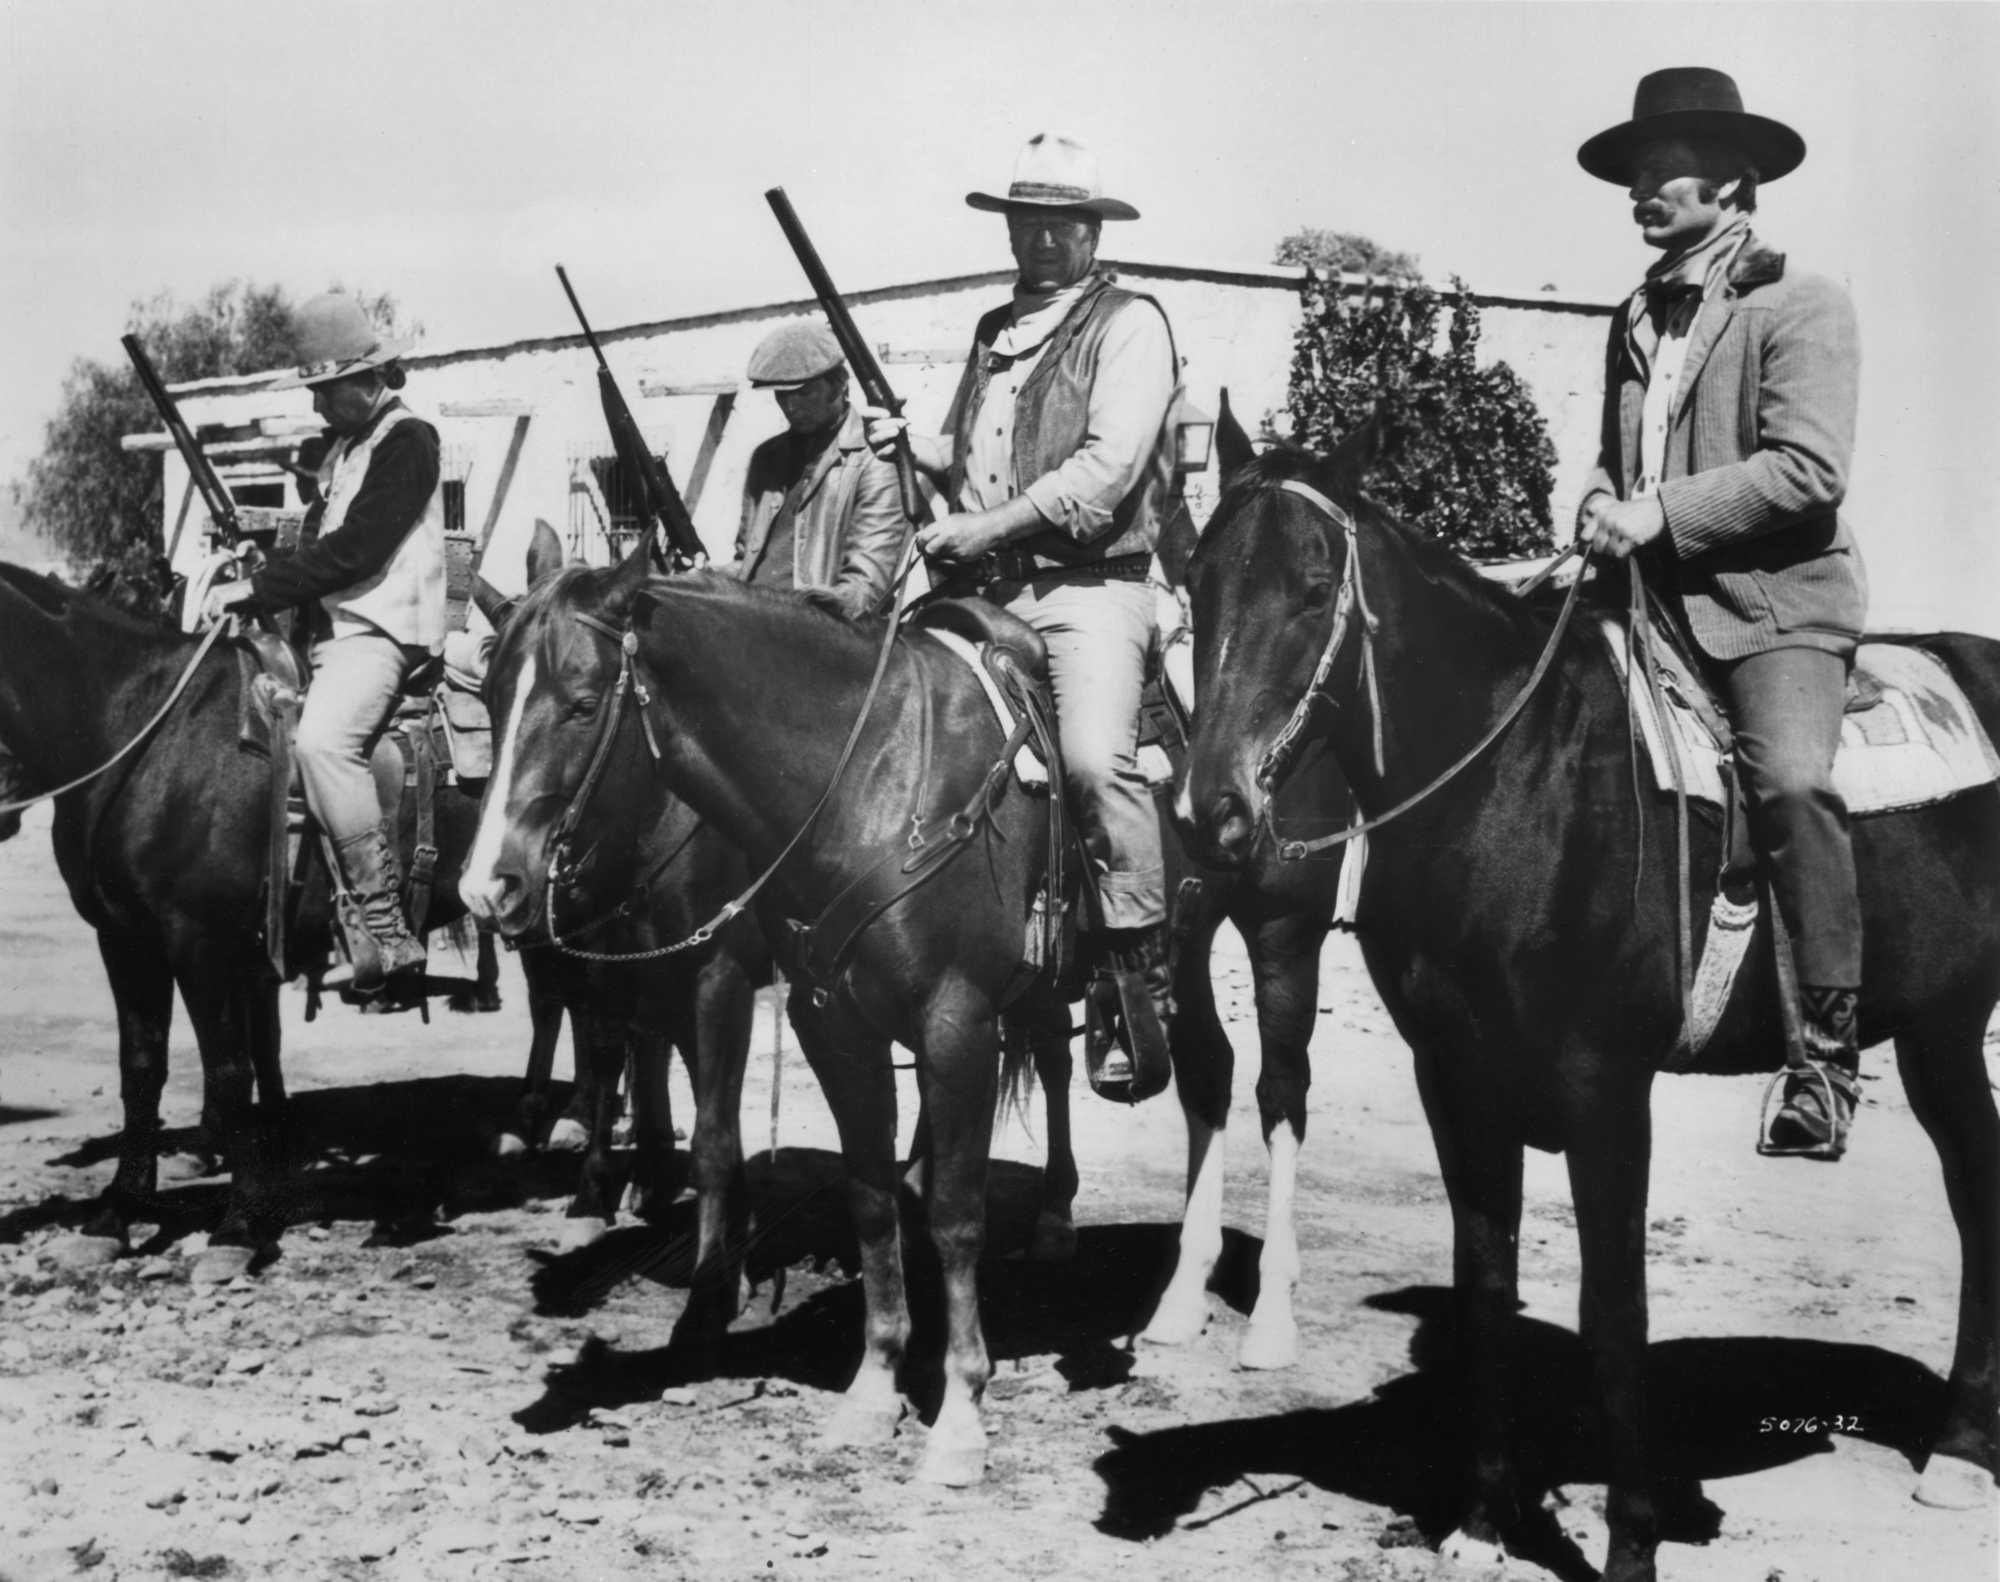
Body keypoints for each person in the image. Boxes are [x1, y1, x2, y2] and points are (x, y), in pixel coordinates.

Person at [1573, 68, 1868, 1155]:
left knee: (1789, 782)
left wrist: (1657, 512)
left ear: (1734, 182)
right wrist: (1599, 502)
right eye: (1635, 174)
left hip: (1769, 606)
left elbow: (1806, 470)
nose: (1642, 190)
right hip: (1641, 603)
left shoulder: (1801, 304)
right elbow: (1615, 468)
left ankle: (1822, 1060)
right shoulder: (1634, 316)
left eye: (1663, 170)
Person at [871, 131, 1182, 1094]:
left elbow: (1103, 471)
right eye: (1027, 221)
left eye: (1063, 222)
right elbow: (974, 451)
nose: (1043, 237)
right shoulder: (992, 329)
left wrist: (982, 526)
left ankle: (1137, 986)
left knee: (1093, 762)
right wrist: (912, 445)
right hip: (983, 591)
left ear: (1092, 232)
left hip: (1089, 588)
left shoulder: (1131, 324)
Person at [206, 291, 447, 997]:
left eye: (322, 391)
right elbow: (316, 546)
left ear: (359, 380)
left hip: (378, 635)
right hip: (328, 635)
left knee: (322, 745)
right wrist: (261, 566)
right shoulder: (346, 449)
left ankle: (385, 925)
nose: (315, 406)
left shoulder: (410, 442)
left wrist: (258, 592)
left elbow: (357, 550)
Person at [732, 322, 904, 620]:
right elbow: (744, 560)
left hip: (820, 634)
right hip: (751, 623)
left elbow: (865, 588)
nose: (790, 405)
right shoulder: (766, 458)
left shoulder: (875, 457)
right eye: (781, 395)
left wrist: (800, 611)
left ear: (839, 384)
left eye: (803, 392)